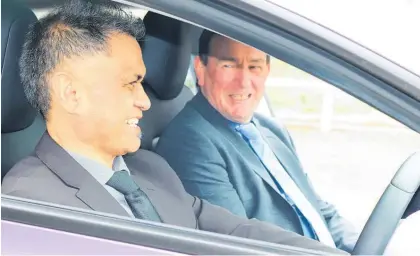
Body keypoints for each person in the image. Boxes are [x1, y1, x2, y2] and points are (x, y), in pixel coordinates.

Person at [0, 0, 346, 254]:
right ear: (71, 94)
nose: (145, 101)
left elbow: (237, 230)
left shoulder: (149, 167)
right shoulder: (29, 205)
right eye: (130, 83)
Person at [155, 30, 359, 252]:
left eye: (254, 67)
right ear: (200, 70)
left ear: (266, 72)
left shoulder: (272, 130)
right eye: (229, 66)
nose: (243, 82)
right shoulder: (191, 141)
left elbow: (317, 209)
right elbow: (239, 243)